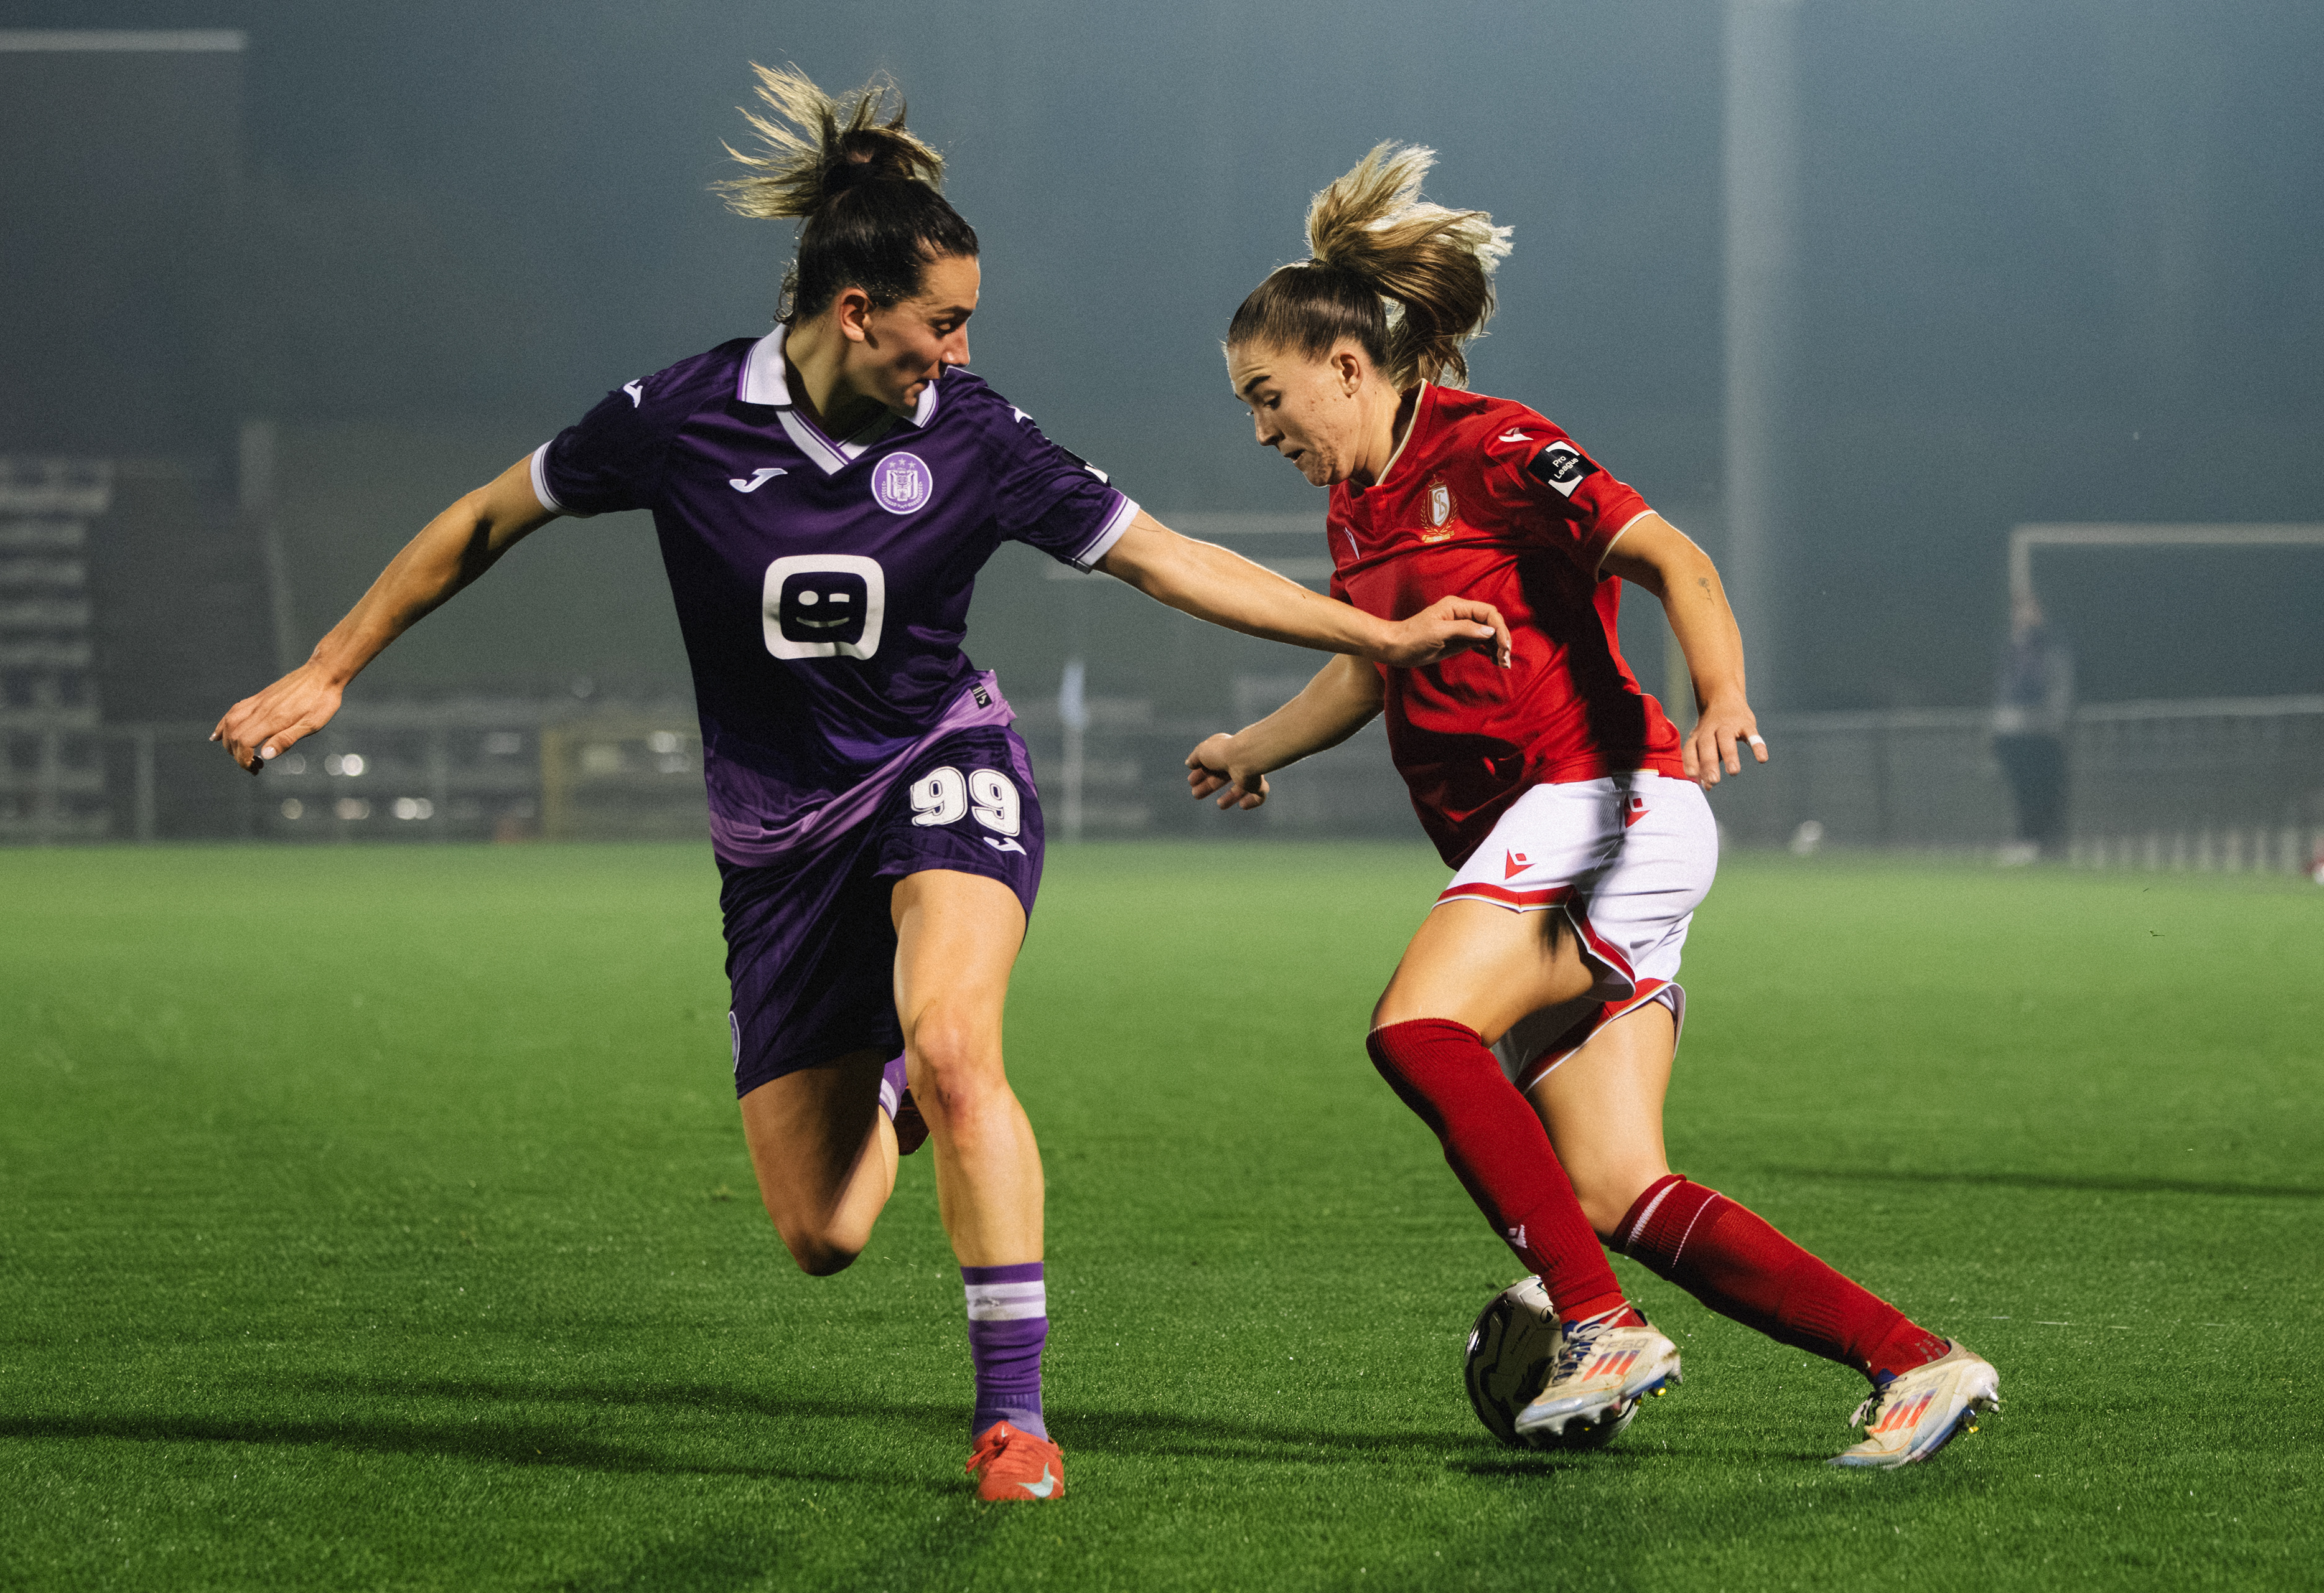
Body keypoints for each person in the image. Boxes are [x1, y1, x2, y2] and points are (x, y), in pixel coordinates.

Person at [209, 72, 1510, 1502]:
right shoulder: (681, 415)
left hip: (938, 765)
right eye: (940, 320)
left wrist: (1373, 630)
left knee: (960, 1043)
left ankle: (1010, 1415)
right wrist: (329, 666)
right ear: (852, 312)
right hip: (773, 845)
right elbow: (482, 519)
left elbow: (1166, 557)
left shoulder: (973, 432)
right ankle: (895, 1080)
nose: (958, 347)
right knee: (822, 1229)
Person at [1187, 144, 1999, 1467]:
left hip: (1605, 806)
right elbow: (1368, 662)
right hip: (1558, 840)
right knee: (1621, 1185)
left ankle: (1598, 1326)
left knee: (1420, 1026)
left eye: (1268, 397)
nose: (1263, 427)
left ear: (1347, 366)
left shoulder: (1496, 444)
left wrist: (1721, 690)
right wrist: (1254, 742)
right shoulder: (1357, 503)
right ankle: (1918, 1361)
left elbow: (1669, 552)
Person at [1992, 591, 2074, 864]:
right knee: (2023, 791)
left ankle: (2045, 844)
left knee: (2046, 790)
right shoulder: (2013, 646)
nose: (2023, 615)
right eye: (2019, 610)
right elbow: (2005, 689)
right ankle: (2027, 842)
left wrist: (2055, 724)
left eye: (2029, 609)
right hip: (2013, 732)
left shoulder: (2050, 646)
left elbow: (2058, 688)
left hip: (2042, 731)